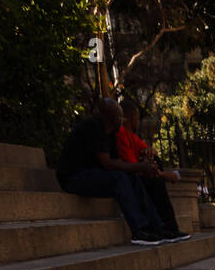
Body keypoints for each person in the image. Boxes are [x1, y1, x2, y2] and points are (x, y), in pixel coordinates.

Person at [55, 98, 175, 245]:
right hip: (73, 178)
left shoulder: (111, 133)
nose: (122, 120)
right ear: (111, 117)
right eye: (120, 116)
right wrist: (142, 166)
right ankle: (139, 229)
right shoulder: (94, 127)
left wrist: (141, 166)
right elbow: (108, 163)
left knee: (130, 177)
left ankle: (156, 226)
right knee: (118, 178)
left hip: (93, 174)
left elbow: (118, 162)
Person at [117, 97, 190, 240]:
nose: (138, 122)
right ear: (131, 118)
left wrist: (150, 152)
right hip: (130, 177)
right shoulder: (120, 134)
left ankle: (170, 228)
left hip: (139, 173)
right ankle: (166, 228)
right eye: (137, 118)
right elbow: (133, 166)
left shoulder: (132, 136)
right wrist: (154, 170)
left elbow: (148, 152)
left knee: (156, 170)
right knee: (154, 182)